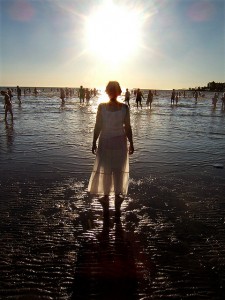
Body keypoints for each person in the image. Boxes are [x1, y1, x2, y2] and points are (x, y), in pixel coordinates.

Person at [88, 81, 134, 217]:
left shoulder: (102, 107)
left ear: (107, 91)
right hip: (120, 143)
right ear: (119, 92)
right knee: (118, 172)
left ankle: (107, 198)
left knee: (106, 171)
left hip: (105, 142)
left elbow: (98, 126)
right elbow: (128, 127)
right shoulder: (125, 108)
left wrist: (93, 141)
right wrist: (131, 142)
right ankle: (117, 205)